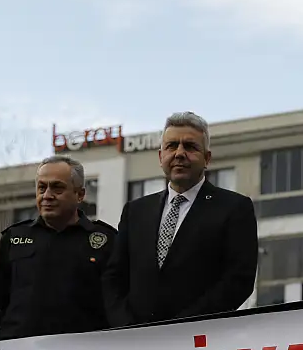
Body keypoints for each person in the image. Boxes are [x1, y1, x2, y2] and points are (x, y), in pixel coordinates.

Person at [103, 112, 258, 327]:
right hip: (136, 339)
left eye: (190, 147)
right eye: (172, 146)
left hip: (198, 337)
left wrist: (183, 326)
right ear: (161, 157)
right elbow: (114, 278)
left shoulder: (234, 208)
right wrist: (125, 325)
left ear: (207, 158)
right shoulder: (135, 211)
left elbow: (238, 280)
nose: (179, 153)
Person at [0, 156, 117, 340]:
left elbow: (117, 305)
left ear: (80, 194)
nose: (47, 195)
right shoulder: (14, 238)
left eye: (57, 188)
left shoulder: (106, 241)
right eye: (42, 187)